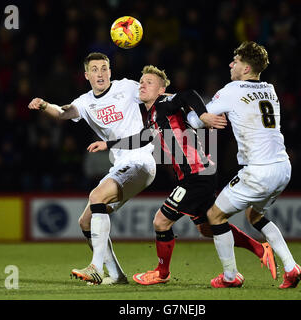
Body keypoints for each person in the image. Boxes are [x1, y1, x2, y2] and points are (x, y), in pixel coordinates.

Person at [87, 65, 278, 285]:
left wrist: (203, 114)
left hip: (195, 174)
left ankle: (162, 272)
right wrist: (108, 144)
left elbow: (188, 94)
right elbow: (142, 138)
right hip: (199, 174)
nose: (142, 84)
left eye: (149, 82)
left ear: (161, 89)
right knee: (207, 227)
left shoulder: (164, 103)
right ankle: (259, 248)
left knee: (161, 221)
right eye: (141, 81)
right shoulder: (152, 115)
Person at [28, 52, 157, 285]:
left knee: (96, 196)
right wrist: (44, 105)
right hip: (121, 164)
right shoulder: (85, 102)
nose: (100, 73)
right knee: (85, 222)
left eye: (104, 68)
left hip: (140, 159)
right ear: (86, 75)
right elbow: (62, 112)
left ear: (110, 71)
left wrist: (184, 107)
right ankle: (116, 275)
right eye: (95, 69)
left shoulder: (127, 87)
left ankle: (96, 268)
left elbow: (155, 93)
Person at [187, 41, 301, 289]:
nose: (231, 64)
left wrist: (195, 114)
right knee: (255, 215)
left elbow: (194, 121)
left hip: (258, 171)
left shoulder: (232, 90)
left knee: (214, 216)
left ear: (247, 68)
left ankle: (230, 277)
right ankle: (292, 267)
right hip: (283, 167)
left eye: (236, 61)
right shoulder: (270, 89)